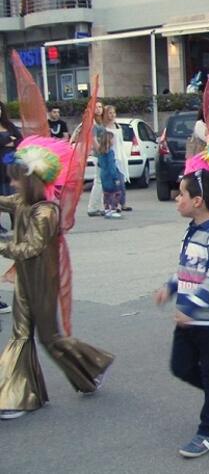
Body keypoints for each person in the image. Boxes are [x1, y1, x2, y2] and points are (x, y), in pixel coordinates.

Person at [0, 136, 114, 420]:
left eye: (16, 181)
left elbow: (32, 248)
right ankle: (18, 395)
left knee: (51, 339)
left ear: (30, 182)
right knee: (21, 334)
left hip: (43, 283)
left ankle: (92, 366)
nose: (12, 185)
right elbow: (5, 202)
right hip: (25, 281)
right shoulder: (24, 203)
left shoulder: (46, 211)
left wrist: (1, 245)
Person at [153, 159, 209, 458]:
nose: (177, 199)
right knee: (181, 367)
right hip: (190, 317)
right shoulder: (194, 229)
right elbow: (188, 268)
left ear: (198, 201)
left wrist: (189, 306)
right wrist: (171, 285)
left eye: (181, 194)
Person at [94, 105, 127, 219]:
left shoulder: (103, 153)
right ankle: (113, 209)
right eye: (110, 113)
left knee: (106, 194)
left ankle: (108, 209)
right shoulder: (110, 153)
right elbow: (112, 167)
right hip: (111, 177)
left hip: (105, 177)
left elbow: (104, 166)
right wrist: (115, 178)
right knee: (114, 192)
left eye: (114, 113)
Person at [0, 101, 22, 249]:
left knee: (14, 193)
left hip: (11, 163)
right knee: (2, 193)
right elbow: (9, 140)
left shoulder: (9, 125)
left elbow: (19, 139)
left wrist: (8, 142)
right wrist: (8, 140)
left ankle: (16, 224)